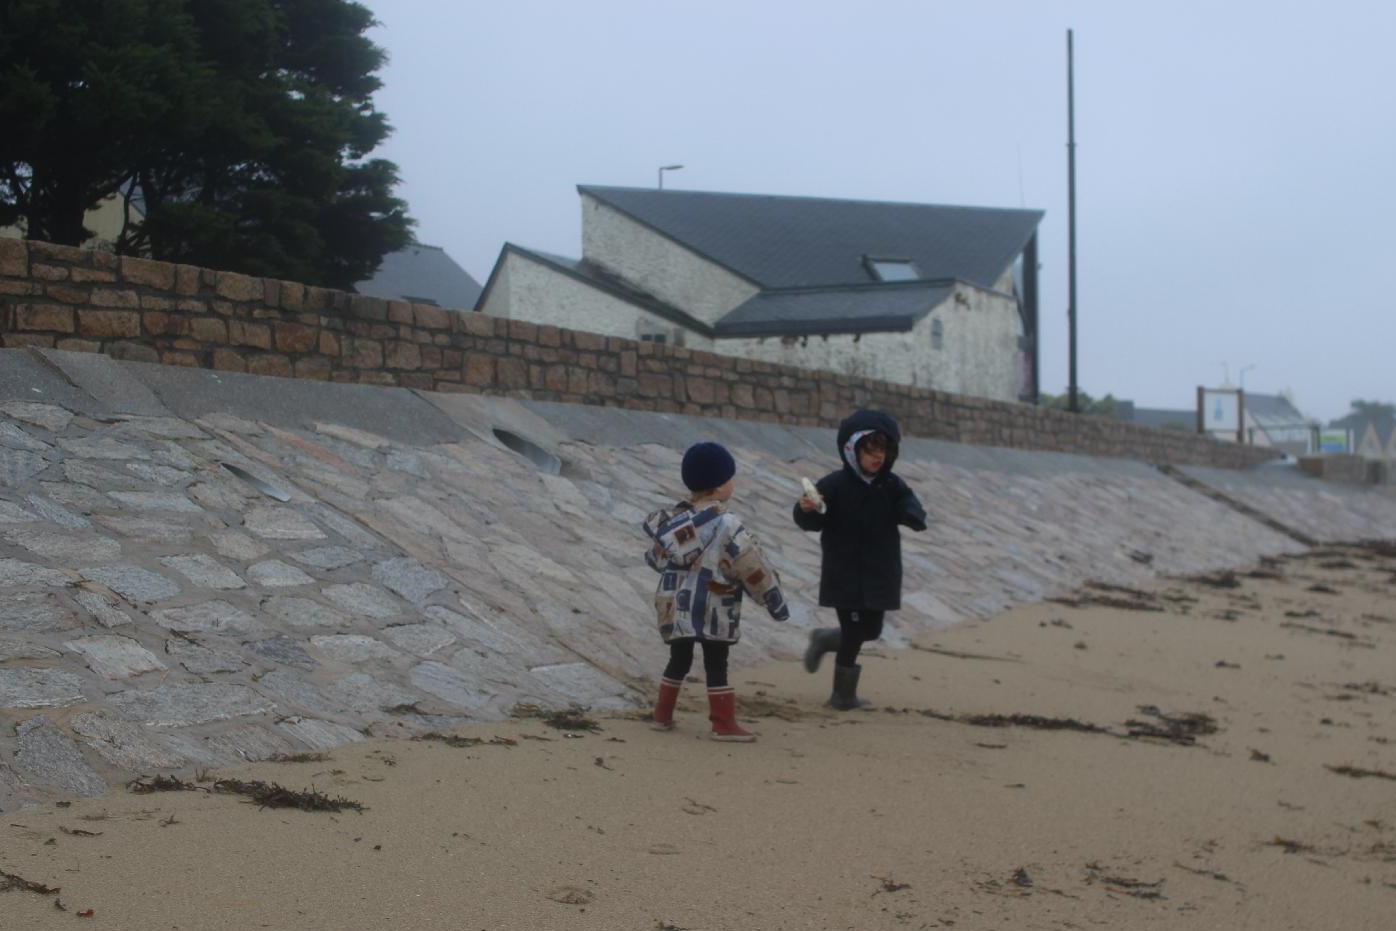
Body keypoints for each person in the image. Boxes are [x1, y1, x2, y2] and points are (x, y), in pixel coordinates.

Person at [643, 441, 790, 741]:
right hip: (714, 603)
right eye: (730, 478)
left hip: (675, 603)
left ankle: (662, 714)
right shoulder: (727, 524)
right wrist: (774, 602)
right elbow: (751, 566)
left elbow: (655, 559)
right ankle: (723, 723)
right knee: (716, 663)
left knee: (679, 659)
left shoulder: (673, 521)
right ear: (720, 486)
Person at [793, 410, 926, 709]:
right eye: (871, 450)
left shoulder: (892, 485)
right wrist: (807, 510)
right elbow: (810, 520)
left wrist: (912, 515)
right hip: (845, 572)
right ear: (853, 449)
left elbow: (911, 504)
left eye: (884, 450)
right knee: (853, 632)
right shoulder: (834, 485)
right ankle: (843, 694)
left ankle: (825, 639)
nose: (878, 457)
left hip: (881, 571)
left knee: (872, 631)